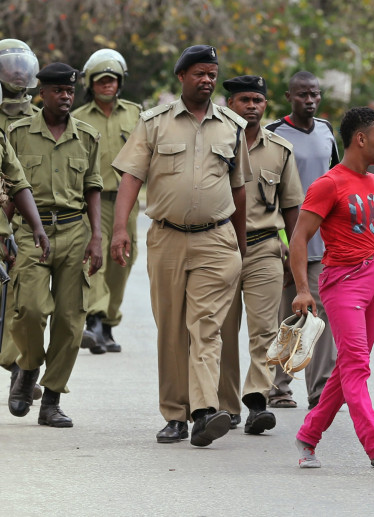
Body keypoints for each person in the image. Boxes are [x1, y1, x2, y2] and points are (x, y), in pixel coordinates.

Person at [110, 45, 251, 447]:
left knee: (205, 327)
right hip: (167, 237)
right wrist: (121, 229)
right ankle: (175, 415)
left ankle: (204, 411)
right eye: (199, 73)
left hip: (217, 239)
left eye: (212, 74)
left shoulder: (232, 126)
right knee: (171, 329)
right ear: (181, 77)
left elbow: (239, 191)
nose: (207, 80)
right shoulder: (153, 123)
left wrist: (239, 247)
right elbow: (131, 179)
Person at [291, 106, 374, 470]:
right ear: (361, 139)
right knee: (357, 364)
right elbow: (299, 238)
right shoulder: (329, 184)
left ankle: (308, 435)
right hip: (343, 285)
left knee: (349, 366)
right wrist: (301, 289)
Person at [6, 62, 102, 427]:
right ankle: (28, 368)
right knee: (28, 309)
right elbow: (9, 187)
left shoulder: (88, 136)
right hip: (31, 231)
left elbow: (93, 186)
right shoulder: (17, 133)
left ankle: (51, 400)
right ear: (40, 93)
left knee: (70, 319)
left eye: (70, 91)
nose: (65, 97)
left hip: (74, 229)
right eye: (58, 91)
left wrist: (96, 236)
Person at [218, 75, 304, 432]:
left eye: (258, 100)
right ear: (230, 104)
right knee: (221, 331)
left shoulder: (280, 150)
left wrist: (294, 259)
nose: (252, 106)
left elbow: (293, 210)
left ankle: (256, 401)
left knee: (265, 331)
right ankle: (225, 406)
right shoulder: (215, 143)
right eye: (244, 100)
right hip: (220, 247)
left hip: (264, 247)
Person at [265, 70, 339, 410]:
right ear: (288, 97)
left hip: (320, 243)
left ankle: (319, 389)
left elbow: (339, 181)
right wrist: (278, 238)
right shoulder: (273, 134)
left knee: (318, 313)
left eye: (314, 95)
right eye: (302, 95)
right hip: (282, 240)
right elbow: (264, 194)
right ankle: (277, 387)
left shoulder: (326, 131)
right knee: (283, 312)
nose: (309, 101)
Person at [73, 48, 142, 354]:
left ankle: (109, 323)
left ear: (119, 83)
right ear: (90, 83)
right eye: (101, 80)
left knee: (122, 261)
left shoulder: (137, 114)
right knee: (94, 256)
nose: (107, 85)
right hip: (93, 200)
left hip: (127, 202)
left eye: (112, 80)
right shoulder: (76, 118)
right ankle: (95, 322)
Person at [0, 38, 43, 401]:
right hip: (3, 216)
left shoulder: (42, 118)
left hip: (28, 221)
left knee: (22, 299)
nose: (16, 72)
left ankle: (20, 364)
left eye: (21, 66)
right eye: (8, 66)